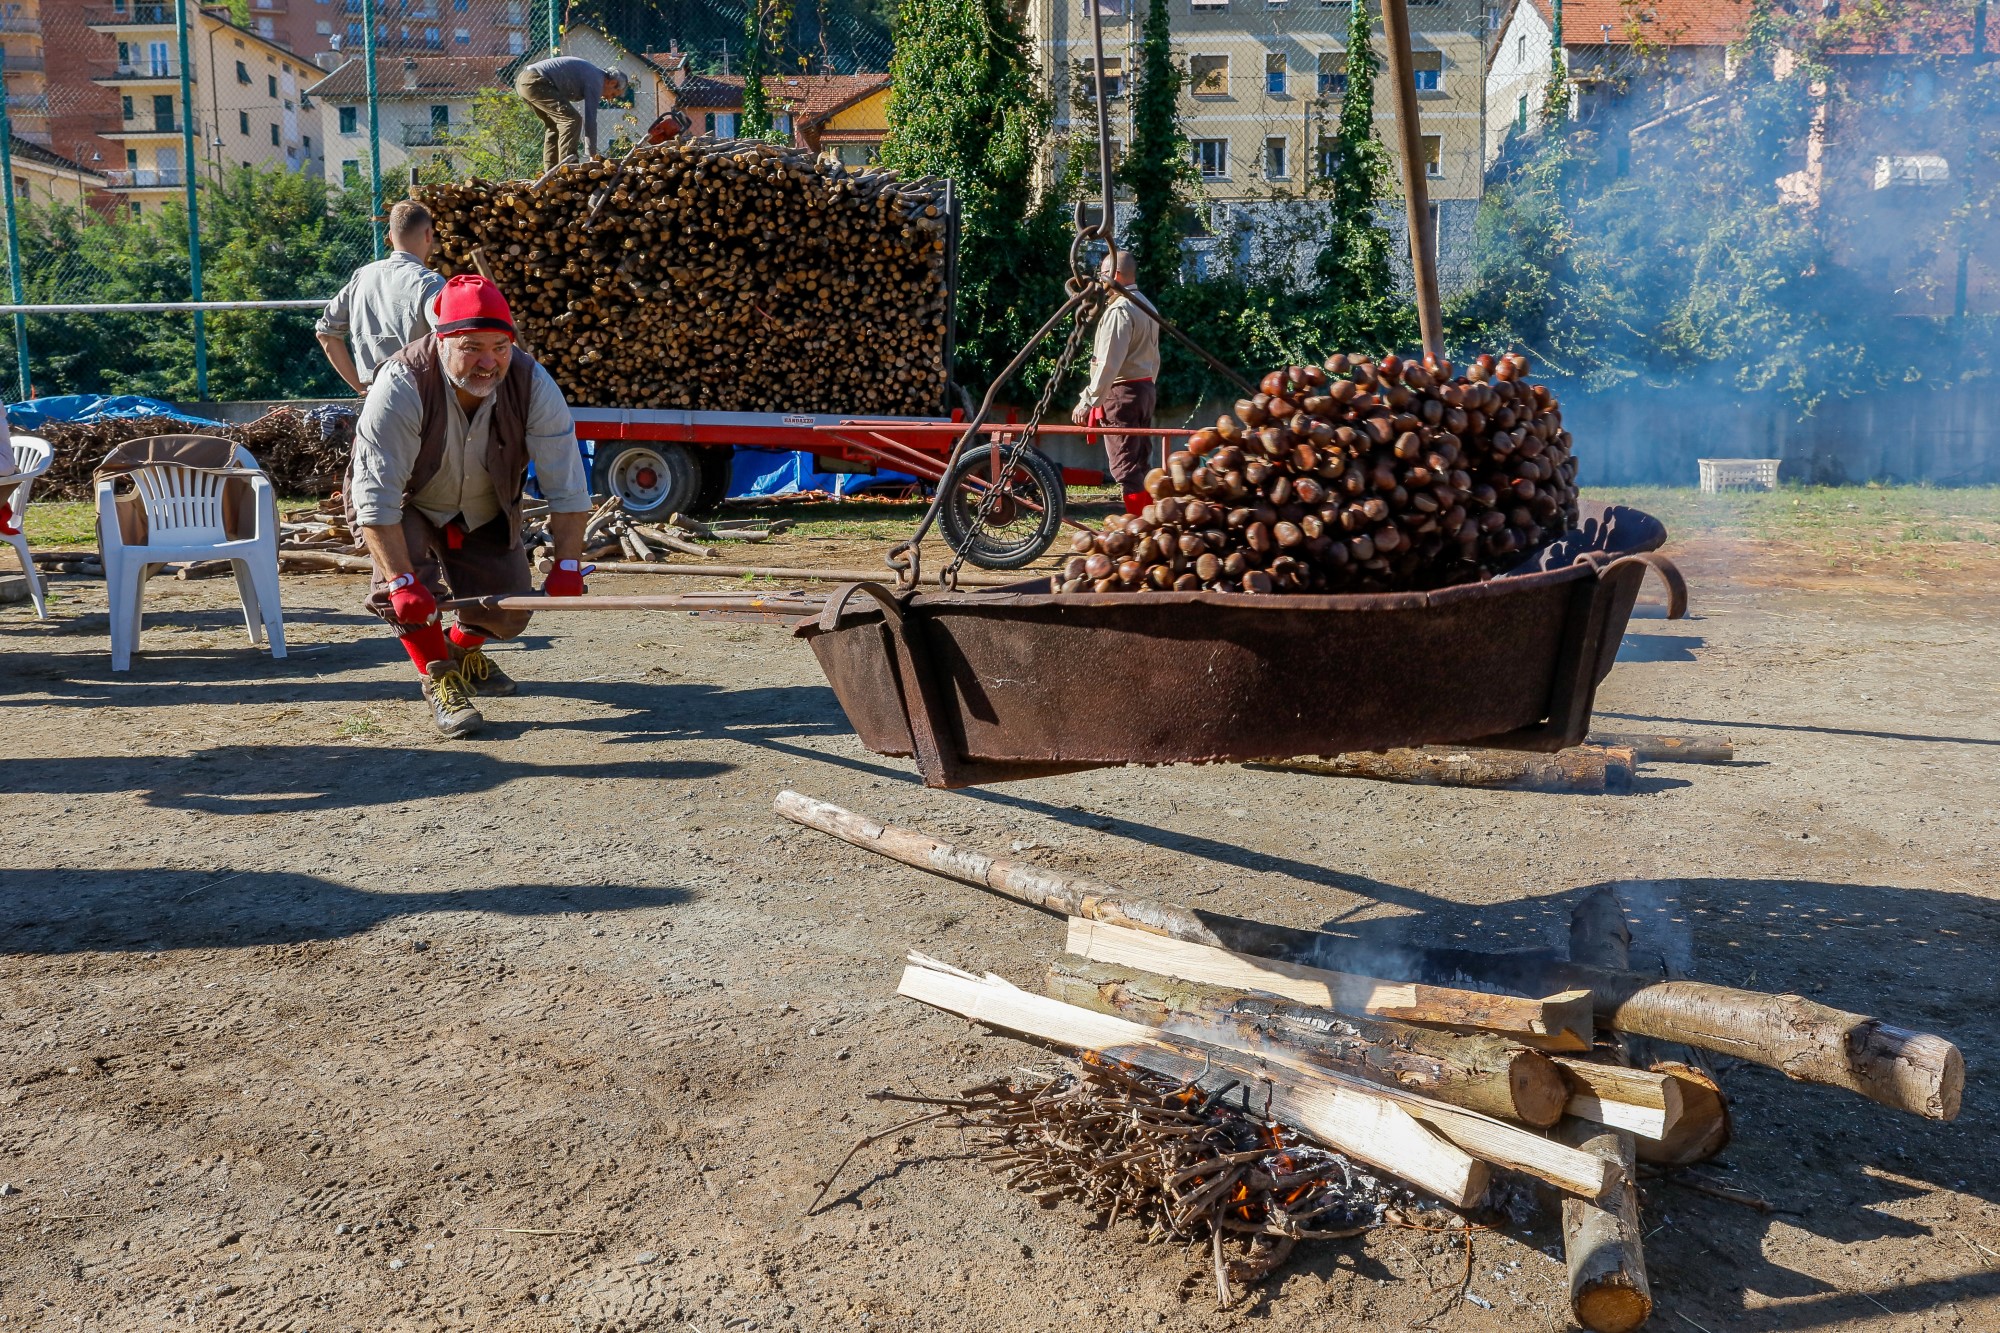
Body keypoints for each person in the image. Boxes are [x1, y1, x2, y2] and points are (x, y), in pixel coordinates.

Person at [347, 274, 594, 738]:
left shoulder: (532, 382)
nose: (489, 361)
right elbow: (376, 497)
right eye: (472, 347)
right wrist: (402, 581)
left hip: (482, 505)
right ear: (441, 342)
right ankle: (440, 678)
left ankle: (460, 653)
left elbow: (567, 484)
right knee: (408, 596)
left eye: (500, 347)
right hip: (406, 505)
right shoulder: (400, 383)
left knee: (510, 612)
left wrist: (567, 562)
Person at [316, 200, 447, 394]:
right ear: (429, 235)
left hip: (374, 399)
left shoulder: (361, 276)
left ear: (391, 236)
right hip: (419, 398)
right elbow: (449, 337)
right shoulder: (429, 282)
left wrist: (361, 388)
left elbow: (326, 333)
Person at [1070, 249, 1160, 516]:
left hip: (1122, 393)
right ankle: (1151, 519)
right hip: (1144, 389)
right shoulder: (1145, 305)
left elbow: (1109, 362)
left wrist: (1088, 400)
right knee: (1140, 461)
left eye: (1102, 274)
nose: (1099, 280)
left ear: (1115, 275)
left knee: (1125, 466)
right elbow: (1154, 357)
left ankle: (1139, 524)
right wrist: (1148, 387)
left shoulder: (1120, 310)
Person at [514, 56, 630, 173]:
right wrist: (592, 154)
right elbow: (590, 118)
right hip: (536, 82)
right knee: (571, 120)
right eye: (613, 94)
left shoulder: (594, 75)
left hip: (525, 82)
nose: (610, 99)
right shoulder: (597, 80)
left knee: (555, 126)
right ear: (612, 82)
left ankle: (551, 174)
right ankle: (568, 170)